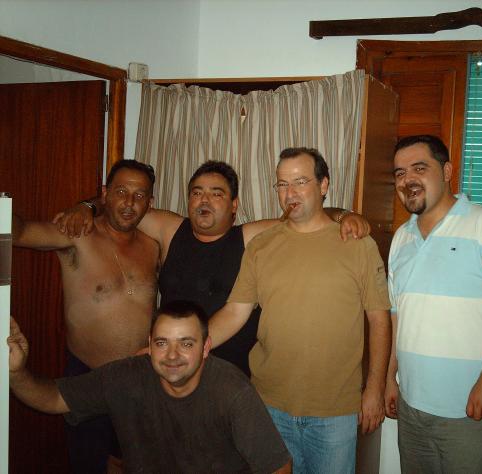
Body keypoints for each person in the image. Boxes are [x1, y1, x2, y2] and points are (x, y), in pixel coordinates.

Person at [56, 160, 369, 376]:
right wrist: (86, 207)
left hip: (230, 376)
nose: (203, 200)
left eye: (216, 194)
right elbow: (124, 203)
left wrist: (344, 215)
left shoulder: (248, 237)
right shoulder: (169, 228)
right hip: (173, 371)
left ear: (234, 205)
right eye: (197, 193)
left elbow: (307, 216)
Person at [209, 147, 392, 474]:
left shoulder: (358, 245)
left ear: (323, 185)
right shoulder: (261, 246)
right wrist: (189, 344)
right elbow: (235, 312)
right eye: (282, 184)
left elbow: (379, 319)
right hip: (268, 405)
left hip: (335, 410)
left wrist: (375, 388)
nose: (289, 193)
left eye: (300, 182)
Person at [384, 135, 482, 473]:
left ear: (447, 172)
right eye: (400, 173)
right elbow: (398, 317)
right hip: (412, 408)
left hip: (470, 410)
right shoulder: (401, 238)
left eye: (419, 168)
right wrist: (388, 379)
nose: (408, 180)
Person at [7, 300, 292, 473]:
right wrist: (17, 372)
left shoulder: (231, 391)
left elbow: (278, 467)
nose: (172, 355)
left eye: (186, 344)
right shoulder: (126, 376)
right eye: (162, 343)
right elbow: (54, 399)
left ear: (206, 347)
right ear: (150, 345)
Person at [12, 159, 159, 473]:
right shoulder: (77, 234)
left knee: (129, 463)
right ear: (105, 194)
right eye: (121, 191)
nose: (129, 203)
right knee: (88, 464)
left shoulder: (152, 246)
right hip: (88, 377)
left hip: (139, 378)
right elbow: (20, 232)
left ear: (150, 202)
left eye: (139, 195)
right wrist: (84, 207)